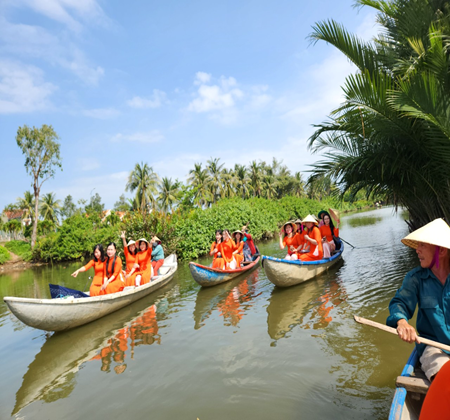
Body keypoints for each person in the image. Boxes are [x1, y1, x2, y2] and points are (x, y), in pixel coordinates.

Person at [386, 218, 450, 381]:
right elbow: (399, 303)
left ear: (441, 251)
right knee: (445, 376)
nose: (417, 250)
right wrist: (402, 322)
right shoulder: (415, 279)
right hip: (435, 348)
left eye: (422, 245)